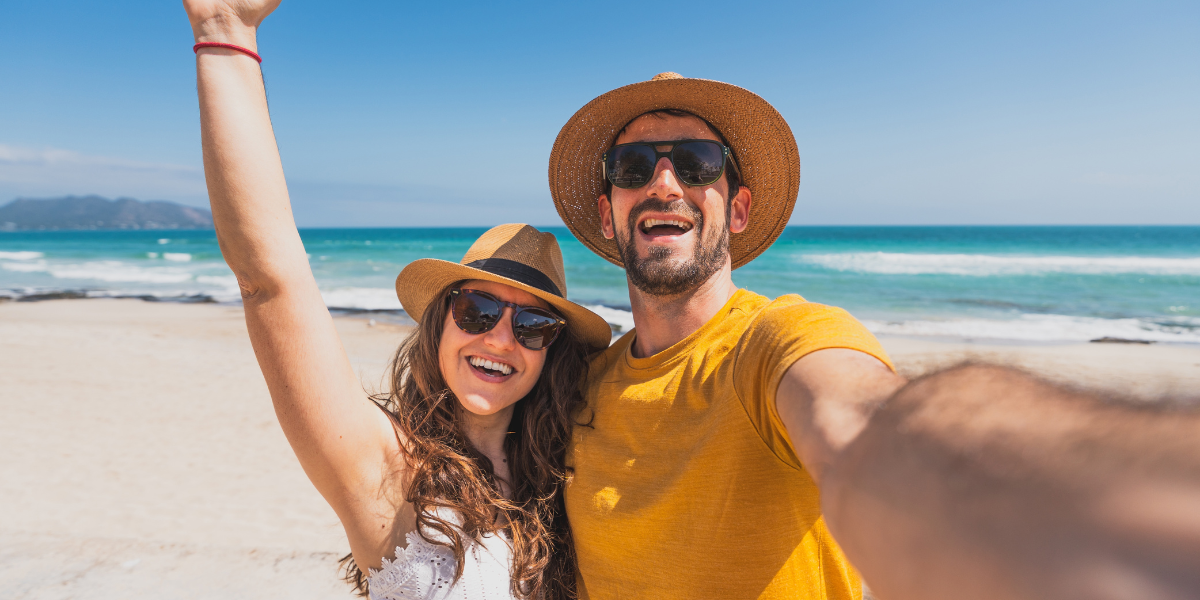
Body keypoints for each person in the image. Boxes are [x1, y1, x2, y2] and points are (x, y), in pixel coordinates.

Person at [548, 73, 1200, 600]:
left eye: (696, 163)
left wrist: (1088, 510)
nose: (664, 184)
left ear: (737, 208)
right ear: (608, 214)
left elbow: (863, 428)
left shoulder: (778, 340)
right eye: (633, 167)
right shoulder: (581, 384)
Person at [182, 2, 613, 599]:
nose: (498, 339)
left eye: (533, 326)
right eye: (478, 312)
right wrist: (225, 35)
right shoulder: (386, 468)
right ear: (442, 323)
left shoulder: (568, 486)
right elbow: (269, 280)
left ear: (551, 354)